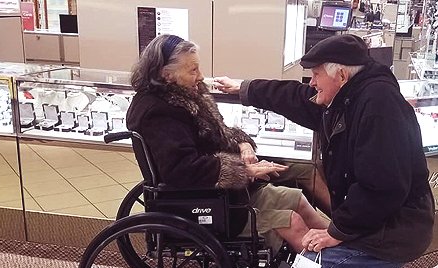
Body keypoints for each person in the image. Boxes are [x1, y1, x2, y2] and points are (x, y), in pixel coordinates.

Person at [214, 34, 438, 268]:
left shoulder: (378, 107)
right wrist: (245, 88)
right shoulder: (347, 96)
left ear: (341, 73)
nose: (311, 82)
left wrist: (337, 232)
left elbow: (383, 187)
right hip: (378, 218)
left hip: (397, 226)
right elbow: (294, 96)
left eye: (316, 74)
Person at [125, 34, 330, 253]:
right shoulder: (159, 113)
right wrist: (245, 170)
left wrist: (243, 144)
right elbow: (182, 170)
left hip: (226, 195)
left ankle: (348, 248)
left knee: (296, 199)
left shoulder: (186, 98)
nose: (201, 76)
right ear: (167, 75)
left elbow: (217, 134)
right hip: (206, 205)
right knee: (293, 221)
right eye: (193, 70)